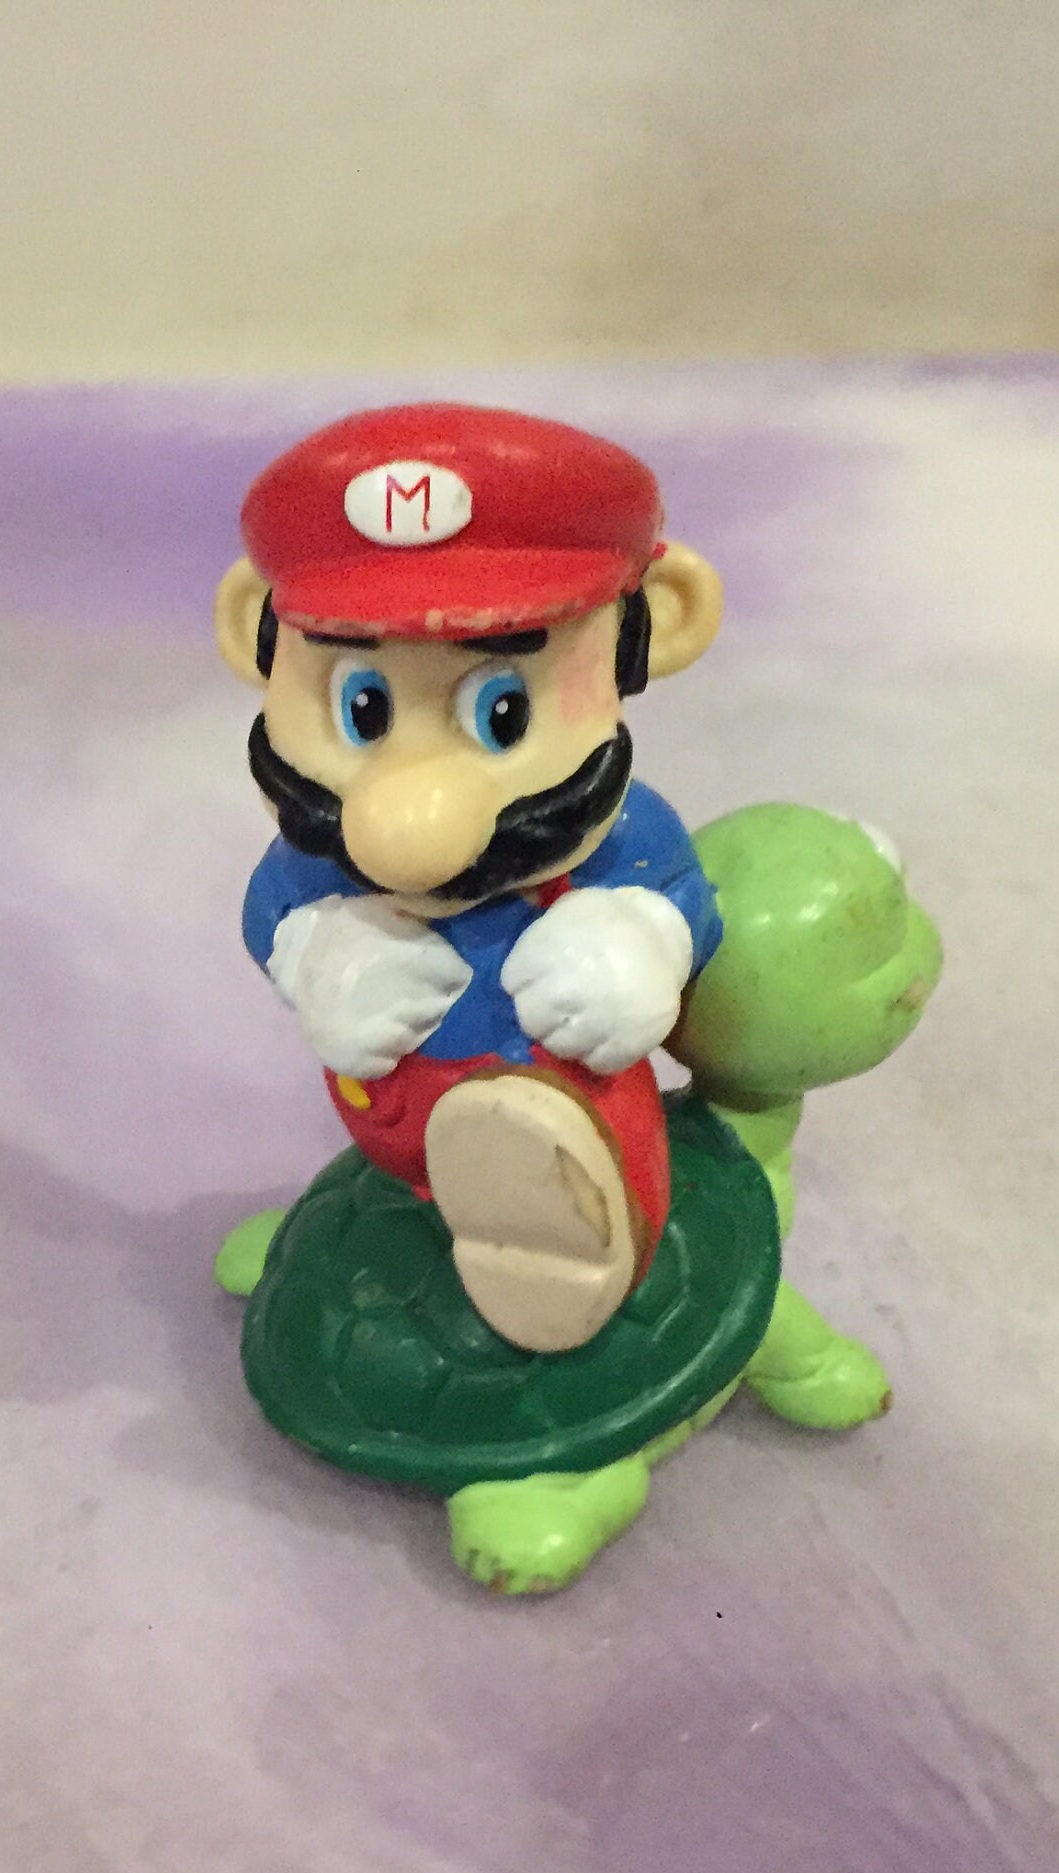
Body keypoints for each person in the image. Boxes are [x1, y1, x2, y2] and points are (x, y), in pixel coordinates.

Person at [215, 403, 728, 1353]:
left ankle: (584, 1256)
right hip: (390, 1115)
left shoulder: (623, 842)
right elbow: (272, 917)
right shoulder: (310, 870)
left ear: (658, 623)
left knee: (589, 1162)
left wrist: (639, 940)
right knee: (401, 1199)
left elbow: (681, 903)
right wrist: (317, 955)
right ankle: (415, 1204)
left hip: (574, 1114)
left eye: (503, 713)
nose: (413, 828)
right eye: (363, 710)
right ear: (255, 631)